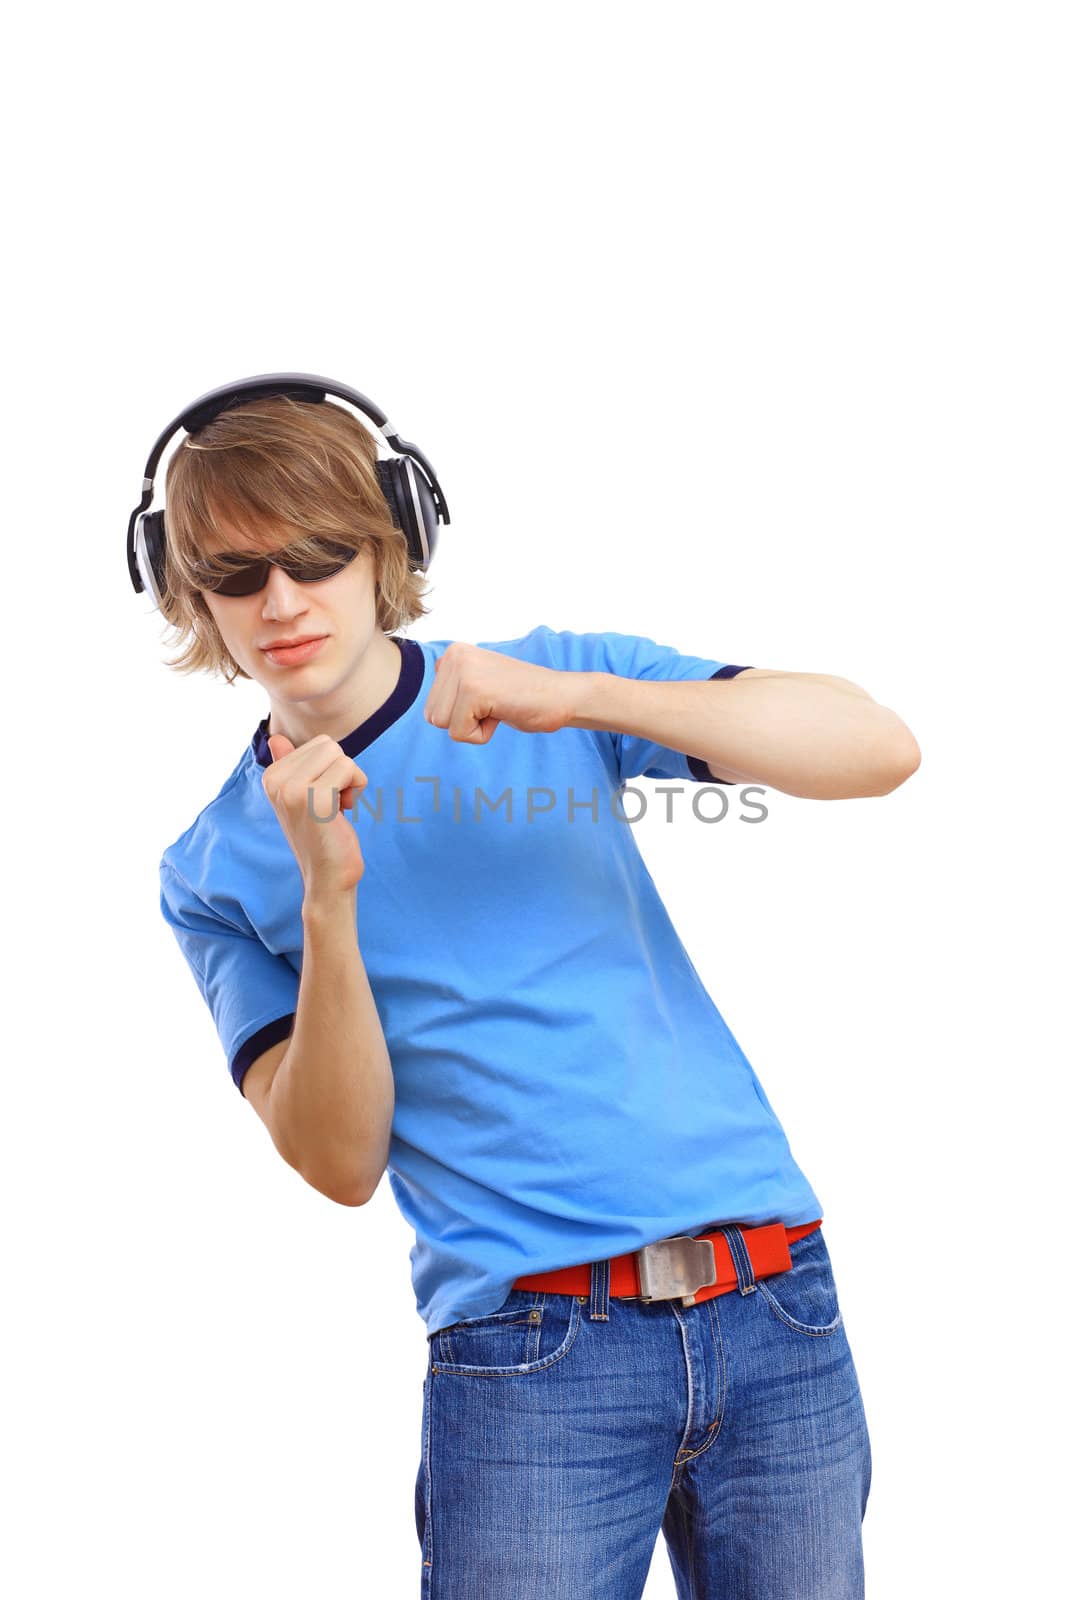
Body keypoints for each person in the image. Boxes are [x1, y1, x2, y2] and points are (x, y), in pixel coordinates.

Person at [149, 383, 920, 1598]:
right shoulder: (212, 870)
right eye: (238, 575)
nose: (282, 601)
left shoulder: (542, 685)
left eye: (316, 555)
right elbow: (338, 1161)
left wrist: (587, 699)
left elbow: (876, 748)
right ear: (186, 591)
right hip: (535, 1360)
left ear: (390, 537)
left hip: (777, 1306)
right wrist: (327, 897)